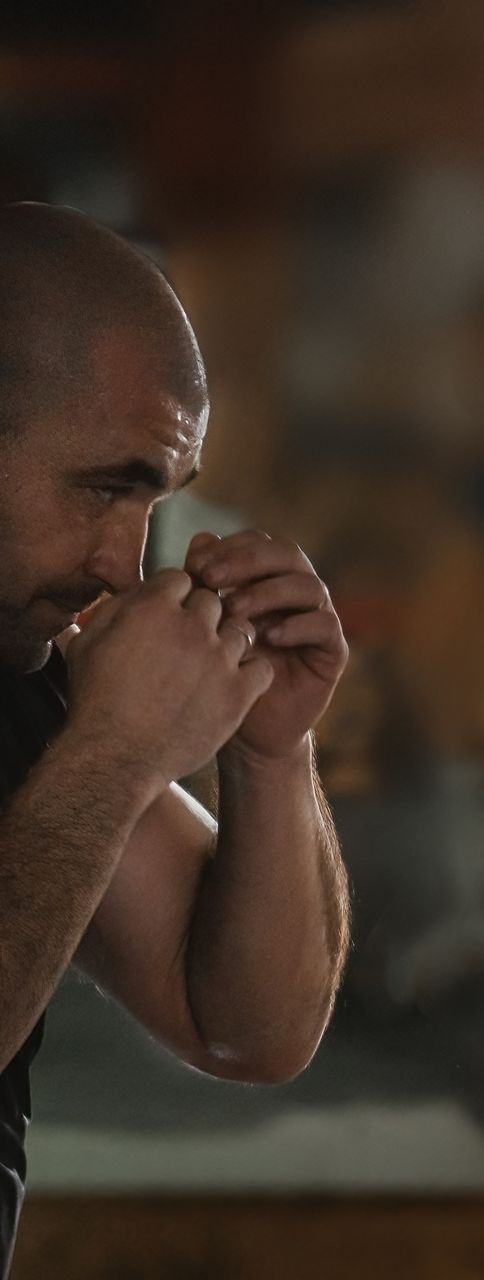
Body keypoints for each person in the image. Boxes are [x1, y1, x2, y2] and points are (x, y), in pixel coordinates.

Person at [0, 204, 350, 1273]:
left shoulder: (22, 678)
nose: (125, 561)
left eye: (151, 499)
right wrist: (113, 755)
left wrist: (268, 752)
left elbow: (249, 1026)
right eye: (104, 488)